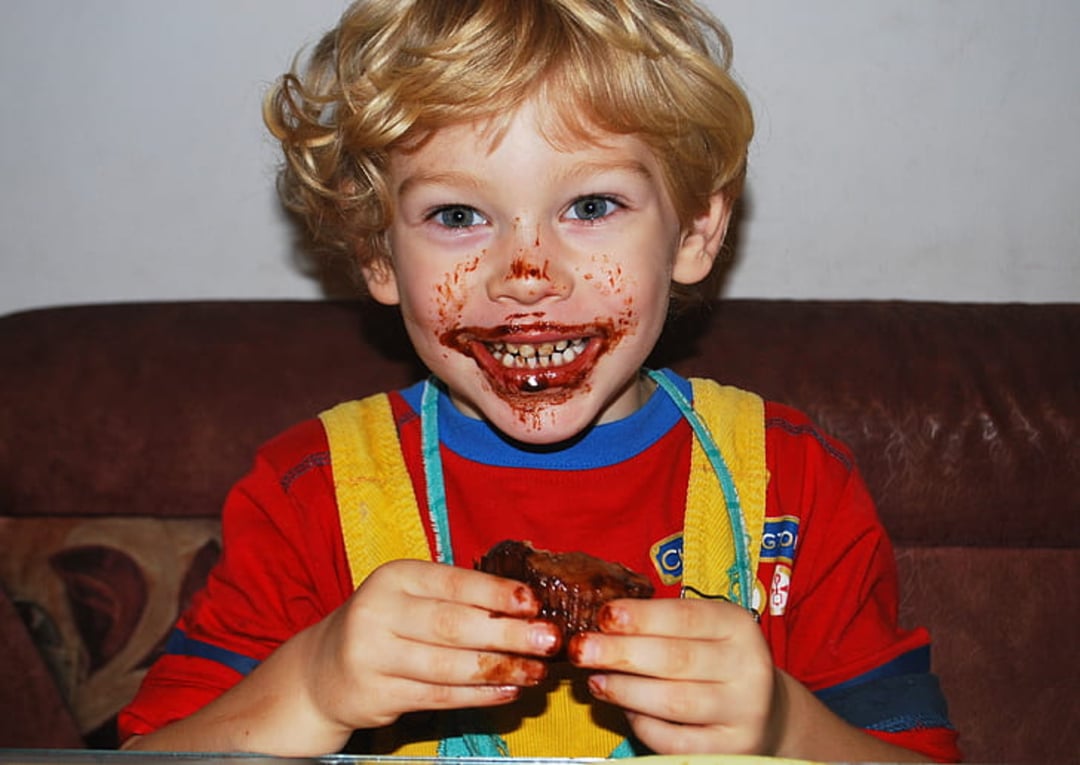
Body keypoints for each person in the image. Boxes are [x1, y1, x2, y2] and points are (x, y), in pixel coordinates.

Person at [119, 0, 960, 761]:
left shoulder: (794, 482)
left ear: (696, 230)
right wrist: (309, 687)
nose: (527, 272)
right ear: (378, 252)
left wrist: (783, 728)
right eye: (457, 215)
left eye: (591, 206)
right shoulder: (309, 495)